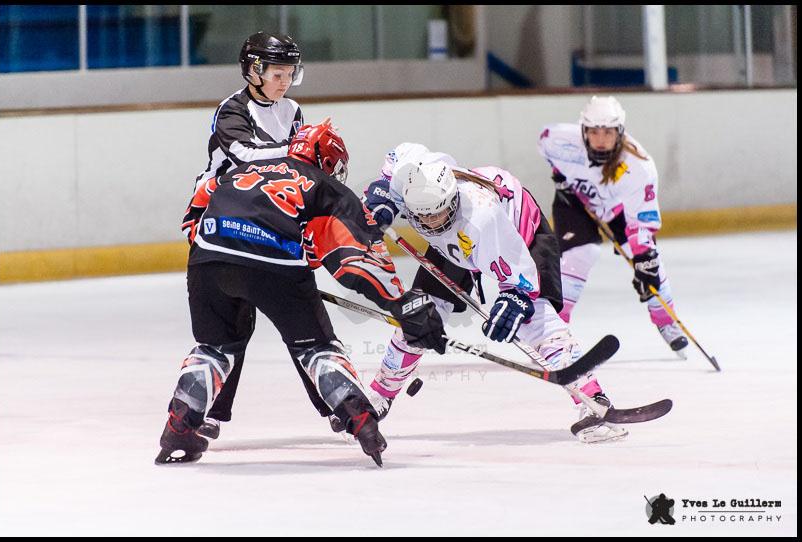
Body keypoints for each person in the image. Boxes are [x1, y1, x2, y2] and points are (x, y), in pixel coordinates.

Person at [156, 125, 447, 466]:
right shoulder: (324, 185)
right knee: (316, 348)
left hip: (208, 259)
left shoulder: (240, 171)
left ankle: (178, 427)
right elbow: (358, 257)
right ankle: (361, 421)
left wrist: (234, 254)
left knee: (215, 348)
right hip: (276, 266)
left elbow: (197, 209)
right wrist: (401, 304)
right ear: (328, 160)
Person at [360, 143, 627, 443]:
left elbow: (521, 277)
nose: (434, 222)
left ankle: (593, 400)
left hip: (519, 231)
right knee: (419, 317)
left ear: (452, 198)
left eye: (440, 213)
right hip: (453, 245)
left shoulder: (482, 216)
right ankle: (378, 396)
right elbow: (397, 157)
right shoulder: (409, 177)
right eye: (425, 217)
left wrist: (515, 298)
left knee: (535, 320)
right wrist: (380, 198)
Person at [181, 31, 313, 440]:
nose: (284, 82)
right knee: (231, 326)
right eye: (277, 74)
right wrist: (301, 151)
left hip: (267, 217)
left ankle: (335, 405)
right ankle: (211, 411)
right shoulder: (232, 110)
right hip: (219, 218)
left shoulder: (292, 110)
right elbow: (246, 159)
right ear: (254, 71)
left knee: (303, 323)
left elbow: (294, 176)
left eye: (290, 73)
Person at [538, 96, 689, 357]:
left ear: (620, 132)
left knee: (649, 264)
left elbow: (640, 222)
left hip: (618, 210)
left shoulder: (638, 167)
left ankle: (666, 321)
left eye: (608, 132)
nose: (600, 139)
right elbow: (545, 144)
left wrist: (643, 257)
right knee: (581, 254)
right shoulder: (559, 140)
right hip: (574, 201)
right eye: (594, 131)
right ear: (583, 130)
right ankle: (553, 331)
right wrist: (560, 175)